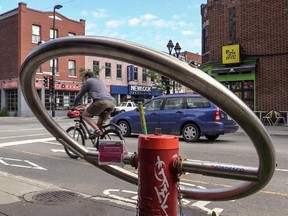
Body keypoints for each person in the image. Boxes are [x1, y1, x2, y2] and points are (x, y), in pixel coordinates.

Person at [71, 71, 115, 137]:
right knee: (100, 125)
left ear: (87, 77)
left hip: (101, 102)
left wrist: (74, 106)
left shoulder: (88, 81)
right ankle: (101, 135)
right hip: (111, 103)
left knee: (85, 115)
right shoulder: (100, 81)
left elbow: (80, 95)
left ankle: (97, 131)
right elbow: (99, 96)